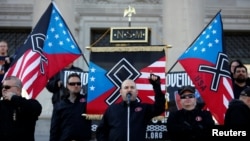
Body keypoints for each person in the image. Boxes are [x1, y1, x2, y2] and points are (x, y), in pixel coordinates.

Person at [96, 74, 166, 141]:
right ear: (121, 92)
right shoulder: (112, 109)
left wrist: (156, 86)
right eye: (126, 87)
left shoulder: (143, 109)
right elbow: (101, 131)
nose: (129, 90)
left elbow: (159, 107)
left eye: (132, 87)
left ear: (136, 92)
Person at [49, 73, 92, 141]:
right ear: (67, 86)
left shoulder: (87, 102)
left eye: (78, 83)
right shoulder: (59, 105)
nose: (76, 86)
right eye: (72, 84)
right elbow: (54, 129)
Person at [0, 76, 42, 141]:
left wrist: (13, 98)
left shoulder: (28, 103)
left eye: (7, 87)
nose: (4, 89)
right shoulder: (2, 104)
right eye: (2, 87)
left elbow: (36, 108)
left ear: (18, 90)